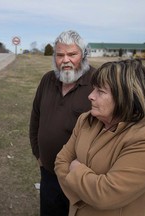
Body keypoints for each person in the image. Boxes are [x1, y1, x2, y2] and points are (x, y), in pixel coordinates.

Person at [54, 59, 145, 216]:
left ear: (126, 96)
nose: (90, 96)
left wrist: (75, 168)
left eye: (100, 91)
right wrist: (84, 196)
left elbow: (106, 195)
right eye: (93, 89)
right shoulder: (86, 120)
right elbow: (61, 161)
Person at [29, 30, 96, 216]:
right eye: (60, 55)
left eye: (72, 54)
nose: (65, 60)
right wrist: (38, 154)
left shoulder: (98, 82)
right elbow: (35, 118)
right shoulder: (47, 80)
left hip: (79, 178)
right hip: (48, 172)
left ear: (83, 55)